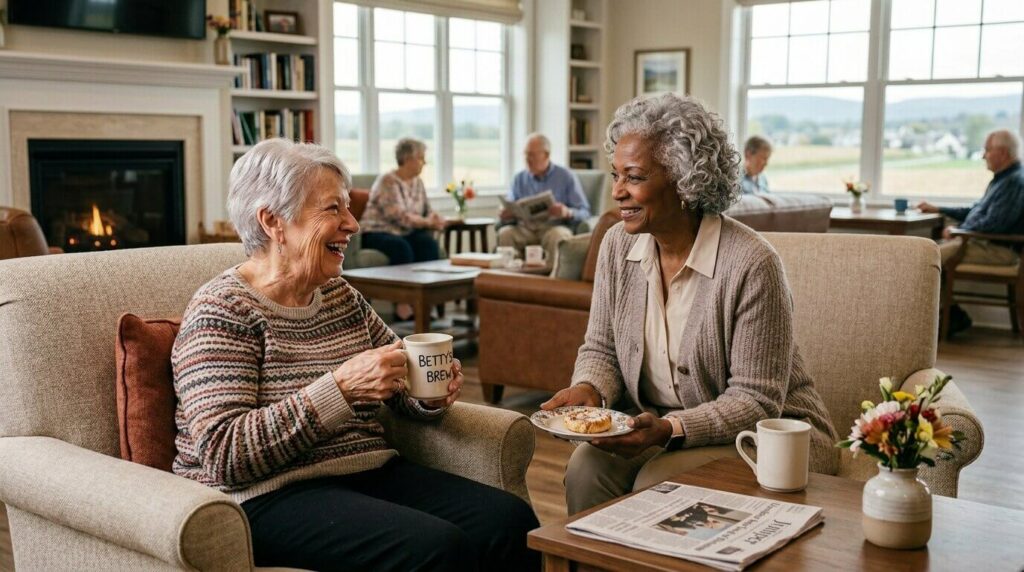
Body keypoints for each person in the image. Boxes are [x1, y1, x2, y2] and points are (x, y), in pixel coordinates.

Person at [172, 139, 539, 571]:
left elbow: (397, 382)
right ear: (273, 221)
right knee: (436, 548)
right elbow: (225, 454)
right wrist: (340, 389)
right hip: (267, 494)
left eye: (348, 207)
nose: (353, 223)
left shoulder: (340, 295)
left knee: (510, 521)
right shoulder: (222, 310)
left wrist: (427, 396)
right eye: (332, 209)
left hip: (365, 471)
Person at [541, 94, 839, 515]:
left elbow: (756, 401)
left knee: (655, 482)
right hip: (657, 425)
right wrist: (589, 390)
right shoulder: (616, 247)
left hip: (768, 436)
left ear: (685, 180)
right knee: (586, 468)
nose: (617, 192)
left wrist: (668, 430)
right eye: (615, 175)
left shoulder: (752, 264)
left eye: (634, 177)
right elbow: (601, 348)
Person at [917, 129, 1024, 333]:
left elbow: (995, 224)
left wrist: (959, 231)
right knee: (927, 256)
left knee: (925, 261)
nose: (984, 155)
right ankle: (952, 316)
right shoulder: (1002, 180)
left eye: (987, 150)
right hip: (978, 244)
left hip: (998, 251)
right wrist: (938, 209)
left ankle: (943, 319)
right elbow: (976, 211)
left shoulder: (1014, 183)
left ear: (1002, 152)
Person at [361, 137, 447, 320]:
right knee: (402, 248)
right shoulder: (387, 181)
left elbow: (426, 210)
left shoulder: (418, 182)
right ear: (408, 159)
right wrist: (427, 223)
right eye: (422, 158)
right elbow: (399, 216)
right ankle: (402, 305)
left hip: (405, 232)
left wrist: (434, 218)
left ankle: (425, 302)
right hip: (377, 231)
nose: (424, 163)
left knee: (428, 245)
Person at [498, 133, 591, 265]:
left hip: (553, 227)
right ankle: (513, 279)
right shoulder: (519, 179)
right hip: (525, 229)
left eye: (531, 155)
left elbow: (585, 211)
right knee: (505, 233)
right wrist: (506, 213)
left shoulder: (565, 176)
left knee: (558, 236)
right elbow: (511, 204)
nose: (527, 159)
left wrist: (567, 212)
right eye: (525, 154)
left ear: (546, 155)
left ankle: (552, 280)